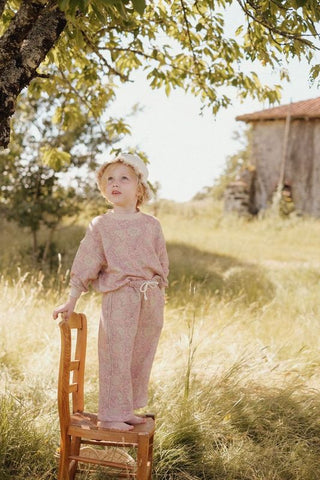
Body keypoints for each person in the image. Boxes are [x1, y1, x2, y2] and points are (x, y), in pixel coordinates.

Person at [53, 153, 169, 431]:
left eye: (123, 178)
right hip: (120, 298)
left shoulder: (152, 225)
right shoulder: (101, 225)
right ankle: (110, 415)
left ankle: (125, 408)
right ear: (104, 189)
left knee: (139, 354)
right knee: (115, 353)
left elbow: (162, 262)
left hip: (149, 299)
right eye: (109, 179)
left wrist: (158, 293)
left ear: (139, 188)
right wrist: (71, 299)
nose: (115, 184)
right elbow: (86, 262)